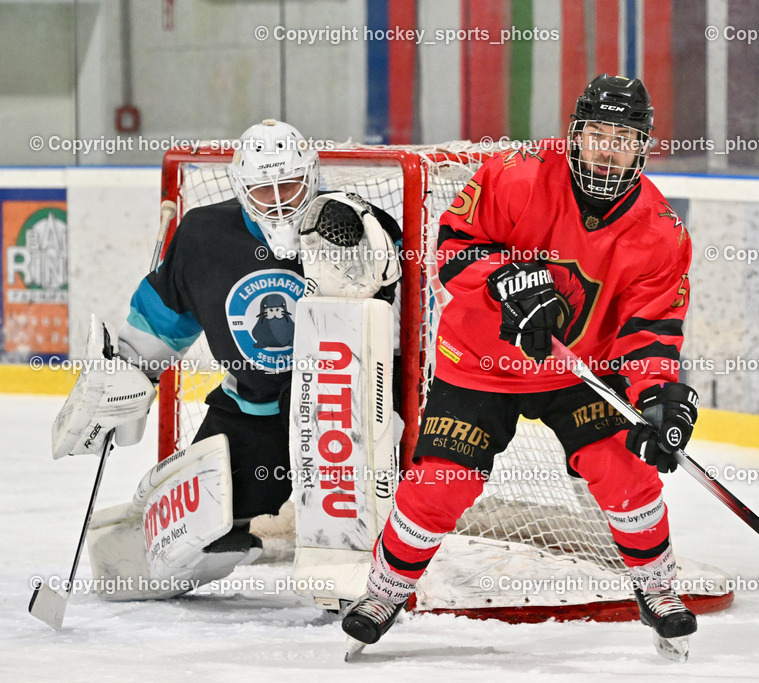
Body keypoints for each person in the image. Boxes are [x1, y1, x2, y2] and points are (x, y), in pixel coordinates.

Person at [342, 74, 700, 652]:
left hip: (579, 371)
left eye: (623, 138)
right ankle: (385, 589)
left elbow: (650, 331)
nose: (608, 148)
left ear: (642, 146)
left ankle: (656, 587)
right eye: (598, 133)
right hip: (481, 362)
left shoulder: (661, 233)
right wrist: (506, 280)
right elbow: (452, 251)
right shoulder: (517, 174)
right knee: (441, 483)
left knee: (625, 472)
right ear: (575, 134)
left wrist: (656, 396)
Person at [53, 119, 402, 593]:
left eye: (291, 185)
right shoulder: (204, 235)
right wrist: (127, 374)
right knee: (189, 534)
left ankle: (363, 570)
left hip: (341, 413)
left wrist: (366, 244)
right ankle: (254, 536)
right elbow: (164, 320)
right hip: (251, 411)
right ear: (240, 188)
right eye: (264, 190)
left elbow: (388, 318)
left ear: (313, 176)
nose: (279, 200)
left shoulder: (351, 225)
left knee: (348, 543)